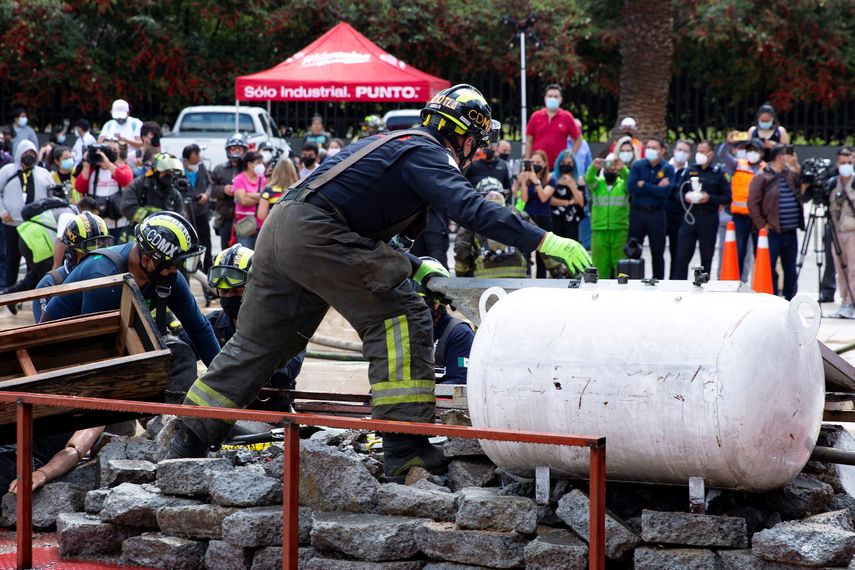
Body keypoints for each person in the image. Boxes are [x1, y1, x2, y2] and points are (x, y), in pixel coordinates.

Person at [165, 84, 591, 478]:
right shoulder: (428, 152)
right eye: (474, 145)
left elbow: (359, 220)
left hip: (281, 231)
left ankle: (188, 437)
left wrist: (416, 264)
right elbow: (470, 208)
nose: (472, 153)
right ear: (462, 136)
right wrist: (543, 239)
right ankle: (406, 448)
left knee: (259, 345)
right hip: (316, 234)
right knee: (400, 314)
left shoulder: (390, 143)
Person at [42, 212, 218, 365]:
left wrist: (226, 385)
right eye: (172, 268)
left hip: (109, 344)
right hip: (59, 350)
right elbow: (94, 349)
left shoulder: (166, 274)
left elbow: (200, 330)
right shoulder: (104, 278)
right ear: (147, 260)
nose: (176, 274)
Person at [206, 245, 305, 410]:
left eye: (236, 290)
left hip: (274, 422)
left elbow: (284, 374)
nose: (229, 297)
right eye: (224, 292)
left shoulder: (285, 325)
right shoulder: (212, 324)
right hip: (227, 417)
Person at [33, 210, 114, 322]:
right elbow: (43, 334)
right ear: (73, 252)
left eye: (102, 252)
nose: (97, 260)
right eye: (89, 254)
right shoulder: (49, 284)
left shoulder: (113, 275)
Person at [747, 143, 803, 299]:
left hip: (790, 231)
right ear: (779, 156)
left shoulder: (790, 174)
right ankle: (770, 296)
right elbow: (752, 203)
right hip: (771, 232)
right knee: (768, 266)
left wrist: (796, 164)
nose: (789, 157)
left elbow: (803, 184)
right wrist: (762, 225)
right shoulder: (762, 176)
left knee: (790, 268)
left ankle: (790, 298)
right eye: (787, 154)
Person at [674, 141, 731, 280]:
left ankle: (702, 284)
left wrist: (709, 198)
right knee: (682, 256)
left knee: (706, 256)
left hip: (708, 218)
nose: (699, 155)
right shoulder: (690, 170)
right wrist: (686, 196)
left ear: (710, 154)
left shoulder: (718, 173)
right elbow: (677, 193)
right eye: (698, 151)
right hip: (690, 217)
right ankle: (679, 285)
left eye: (703, 152)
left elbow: (727, 198)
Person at [0, 140, 53, 288]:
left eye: (32, 153)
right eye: (26, 153)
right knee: (12, 259)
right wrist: (2, 212)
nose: (29, 156)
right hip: (12, 223)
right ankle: (8, 290)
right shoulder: (7, 170)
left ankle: (32, 292)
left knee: (34, 261)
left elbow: (51, 197)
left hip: (35, 226)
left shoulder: (43, 173)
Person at [454, 178, 530, 278]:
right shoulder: (518, 214)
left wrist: (462, 276)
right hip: (518, 277)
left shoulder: (472, 218)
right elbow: (540, 238)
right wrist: (556, 272)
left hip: (484, 280)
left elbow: (461, 249)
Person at [627, 137, 674, 279]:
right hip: (638, 212)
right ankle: (633, 280)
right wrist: (656, 186)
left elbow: (665, 192)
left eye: (654, 148)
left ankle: (658, 281)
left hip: (657, 214)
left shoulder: (667, 168)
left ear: (662, 151)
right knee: (633, 249)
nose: (650, 150)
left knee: (658, 252)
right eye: (648, 147)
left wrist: (645, 185)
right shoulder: (637, 166)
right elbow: (632, 188)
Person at [413, 281, 473, 385]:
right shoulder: (408, 332)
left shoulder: (460, 334)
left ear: (436, 304)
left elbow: (460, 383)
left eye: (416, 306)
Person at [74, 136, 133, 241]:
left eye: (113, 150)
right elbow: (80, 188)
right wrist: (86, 165)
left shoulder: (122, 168)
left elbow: (126, 180)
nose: (106, 155)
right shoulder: (92, 169)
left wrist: (109, 164)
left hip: (116, 222)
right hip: (95, 223)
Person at [726, 138, 765, 278]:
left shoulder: (765, 168)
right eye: (749, 150)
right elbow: (722, 155)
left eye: (755, 150)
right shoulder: (739, 165)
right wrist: (728, 143)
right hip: (740, 216)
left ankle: (759, 284)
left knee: (760, 251)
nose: (751, 153)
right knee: (739, 252)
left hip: (758, 217)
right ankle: (738, 282)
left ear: (761, 152)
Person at [588, 154, 630, 278]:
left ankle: (623, 290)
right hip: (599, 231)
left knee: (620, 265)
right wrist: (593, 167)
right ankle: (600, 290)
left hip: (619, 231)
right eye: (607, 168)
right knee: (600, 264)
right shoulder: (597, 185)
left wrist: (623, 169)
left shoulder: (623, 185)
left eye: (613, 168)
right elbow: (589, 178)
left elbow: (629, 180)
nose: (610, 170)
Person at [515, 149, 555, 278]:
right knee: (525, 252)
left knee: (542, 255)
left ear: (544, 164)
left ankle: (541, 280)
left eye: (538, 162)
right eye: (533, 162)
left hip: (544, 219)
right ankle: (525, 279)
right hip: (528, 218)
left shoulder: (550, 179)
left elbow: (544, 197)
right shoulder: (527, 178)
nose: (535, 164)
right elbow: (524, 199)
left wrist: (536, 181)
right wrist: (523, 182)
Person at [120, 152, 186, 226]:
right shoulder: (140, 184)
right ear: (156, 171)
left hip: (164, 235)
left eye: (172, 172)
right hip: (137, 233)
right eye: (166, 171)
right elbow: (127, 208)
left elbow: (181, 218)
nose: (170, 176)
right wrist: (155, 220)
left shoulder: (174, 193)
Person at [525, 84, 582, 168]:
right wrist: (527, 159)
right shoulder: (535, 116)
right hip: (537, 164)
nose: (552, 98)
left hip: (558, 165)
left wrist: (570, 155)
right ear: (545, 98)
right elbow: (529, 140)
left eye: (556, 96)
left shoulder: (567, 117)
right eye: (550, 96)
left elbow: (578, 138)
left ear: (561, 99)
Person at [828, 147, 855, 317]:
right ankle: (844, 301)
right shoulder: (832, 183)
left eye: (850, 163)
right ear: (837, 163)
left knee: (854, 269)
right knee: (841, 269)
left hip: (852, 230)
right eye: (843, 163)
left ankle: (852, 302)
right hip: (836, 231)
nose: (846, 166)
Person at [211, 134, 248, 250]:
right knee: (226, 250)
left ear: (245, 150)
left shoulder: (249, 169)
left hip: (246, 218)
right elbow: (210, 189)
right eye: (233, 148)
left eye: (239, 148)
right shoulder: (219, 169)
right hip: (225, 217)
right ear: (228, 150)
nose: (236, 151)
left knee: (245, 250)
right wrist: (223, 190)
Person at [181, 144, 213, 272]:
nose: (198, 159)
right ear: (186, 159)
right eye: (196, 156)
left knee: (206, 244)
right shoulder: (178, 171)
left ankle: (208, 271)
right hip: (186, 214)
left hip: (201, 212)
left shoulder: (201, 167)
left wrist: (206, 195)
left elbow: (210, 183)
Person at [667, 139, 692, 278]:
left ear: (689, 154)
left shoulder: (690, 171)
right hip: (663, 213)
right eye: (679, 150)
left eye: (685, 151)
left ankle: (675, 282)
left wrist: (670, 187)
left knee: (677, 253)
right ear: (674, 150)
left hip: (681, 216)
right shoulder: (665, 167)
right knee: (658, 252)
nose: (681, 153)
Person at [550, 149, 586, 241]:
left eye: (569, 163)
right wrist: (569, 202)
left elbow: (581, 203)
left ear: (573, 164)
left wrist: (571, 185)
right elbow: (550, 200)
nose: (566, 165)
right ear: (559, 163)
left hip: (572, 220)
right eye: (563, 162)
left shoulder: (579, 179)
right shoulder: (552, 178)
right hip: (555, 219)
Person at [232, 151, 265, 248]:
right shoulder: (239, 179)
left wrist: (248, 194)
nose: (261, 165)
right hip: (245, 224)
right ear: (250, 164)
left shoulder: (262, 179)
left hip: (260, 225)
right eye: (258, 162)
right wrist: (260, 197)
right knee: (244, 254)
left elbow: (266, 198)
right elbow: (243, 201)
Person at [258, 158, 298, 224]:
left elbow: (261, 215)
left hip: (272, 229)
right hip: (291, 230)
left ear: (276, 171)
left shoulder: (268, 191)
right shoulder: (297, 190)